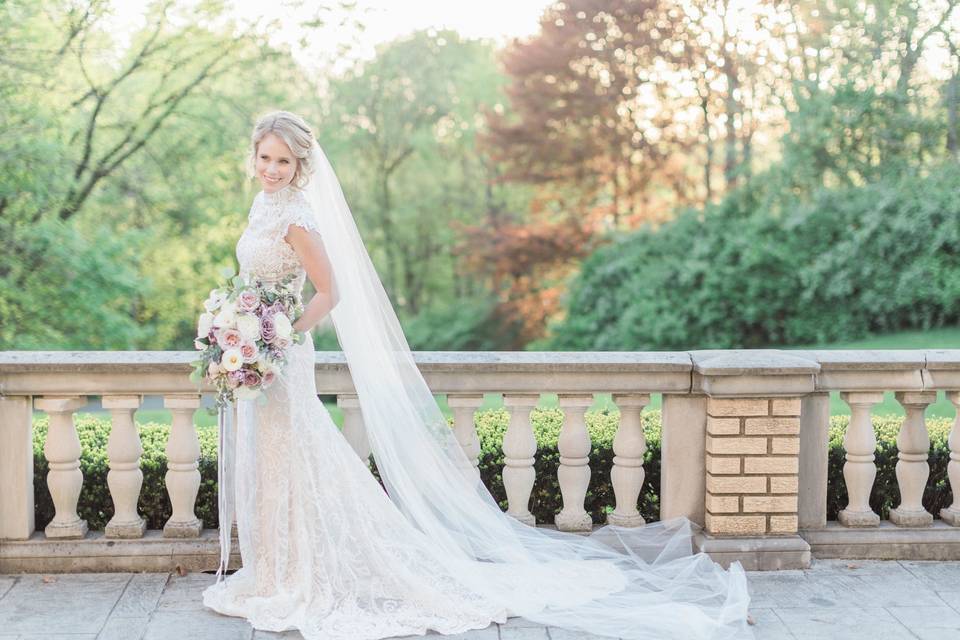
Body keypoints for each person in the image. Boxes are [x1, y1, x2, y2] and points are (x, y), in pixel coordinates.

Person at [201, 110, 754, 640]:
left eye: (284, 162)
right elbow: (254, 280)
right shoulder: (262, 205)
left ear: (300, 167)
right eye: (266, 158)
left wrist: (278, 334)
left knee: (290, 459)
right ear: (254, 157)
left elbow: (330, 292)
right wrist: (239, 321)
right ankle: (275, 571)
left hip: (282, 355)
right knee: (270, 466)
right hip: (259, 360)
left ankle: (299, 574)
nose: (273, 169)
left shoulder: (298, 218)